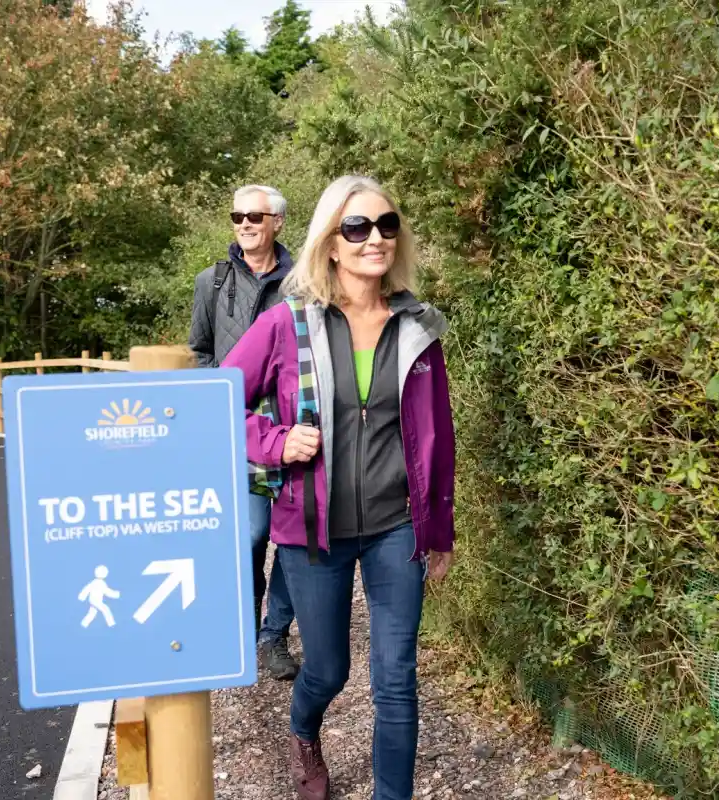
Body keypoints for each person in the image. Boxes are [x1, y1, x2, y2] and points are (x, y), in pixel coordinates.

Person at [222, 175, 456, 800]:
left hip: (396, 528)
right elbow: (213, 401)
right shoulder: (285, 324)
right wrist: (274, 443)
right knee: (327, 670)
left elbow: (439, 435)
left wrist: (440, 530)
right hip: (311, 532)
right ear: (330, 243)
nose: (374, 238)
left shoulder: (418, 326)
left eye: (386, 225)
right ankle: (304, 729)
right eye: (357, 228)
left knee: (397, 677)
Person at [188, 183, 300, 680]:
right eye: (238, 216)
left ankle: (274, 634)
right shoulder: (210, 283)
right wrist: (213, 408)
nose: (246, 224)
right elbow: (200, 353)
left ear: (278, 221)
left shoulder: (306, 280)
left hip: (299, 425)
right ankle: (245, 626)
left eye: (255, 216)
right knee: (252, 534)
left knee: (297, 538)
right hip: (240, 427)